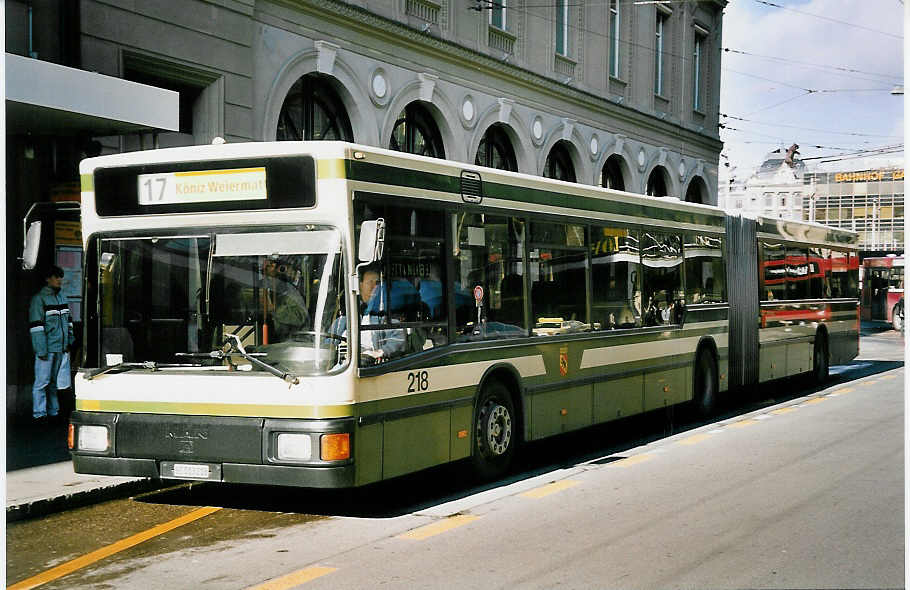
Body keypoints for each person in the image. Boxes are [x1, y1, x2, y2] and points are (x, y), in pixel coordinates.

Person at [29, 265, 74, 421]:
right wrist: (41, 350)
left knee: (54, 383)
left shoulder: (62, 297)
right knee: (42, 383)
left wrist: (69, 341)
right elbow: (36, 327)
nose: (59, 280)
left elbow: (69, 322)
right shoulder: (39, 299)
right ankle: (39, 414)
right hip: (47, 349)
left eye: (60, 276)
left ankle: (53, 412)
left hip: (60, 348)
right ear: (47, 279)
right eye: (56, 277)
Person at [333, 268, 405, 363]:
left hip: (371, 364)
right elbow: (329, 340)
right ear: (360, 285)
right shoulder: (347, 312)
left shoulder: (386, 310)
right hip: (345, 362)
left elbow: (399, 338)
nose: (374, 286)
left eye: (377, 283)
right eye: (370, 282)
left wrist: (381, 351)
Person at [262, 256, 309, 342]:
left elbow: (300, 317)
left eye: (270, 265)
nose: (265, 267)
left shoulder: (289, 291)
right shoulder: (260, 288)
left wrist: (274, 310)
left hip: (292, 342)